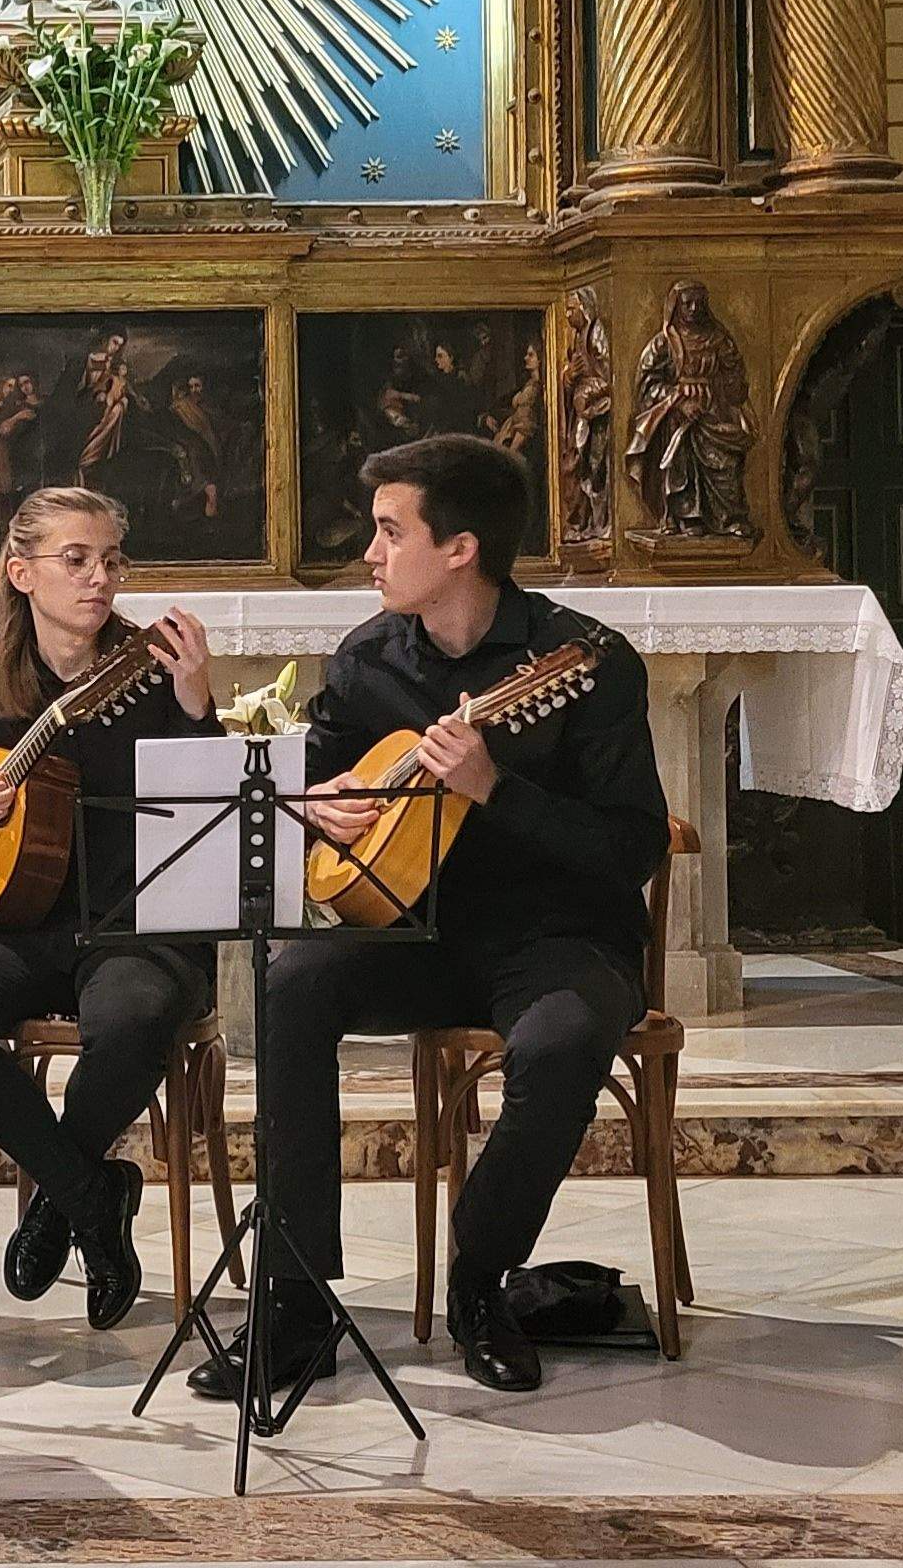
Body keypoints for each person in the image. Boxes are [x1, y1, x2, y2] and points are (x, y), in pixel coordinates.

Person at [194, 433, 664, 1397]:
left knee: (562, 1043)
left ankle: (481, 1280)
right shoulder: (369, 660)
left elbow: (634, 847)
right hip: (418, 930)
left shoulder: (585, 662)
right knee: (290, 986)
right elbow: (316, 790)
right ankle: (296, 1304)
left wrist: (498, 791)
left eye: (387, 530)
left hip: (561, 936)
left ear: (459, 549)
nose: (368, 552)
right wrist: (317, 801)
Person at [0, 487, 218, 1330]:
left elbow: (212, 802)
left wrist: (195, 704)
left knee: (134, 1015)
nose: (98, 578)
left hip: (141, 925)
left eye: (110, 560)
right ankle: (92, 1195)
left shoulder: (151, 666)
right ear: (22, 571)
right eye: (76, 560)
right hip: (26, 925)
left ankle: (58, 1203)